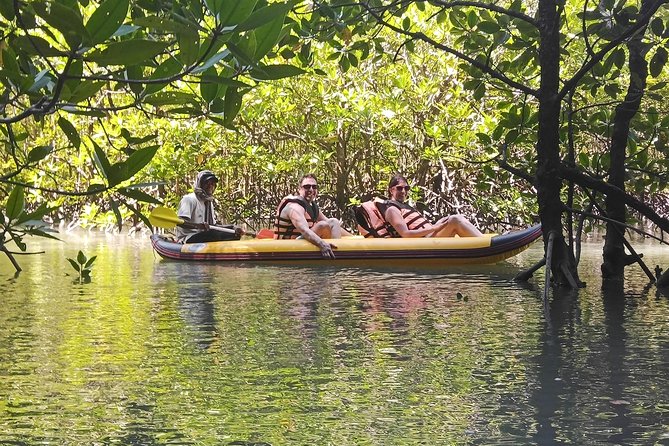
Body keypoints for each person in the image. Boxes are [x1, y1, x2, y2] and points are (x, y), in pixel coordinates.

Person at [357, 174, 482, 238]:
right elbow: (405, 234)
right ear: (391, 190)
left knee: (454, 217)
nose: (403, 191)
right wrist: (434, 229)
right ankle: (486, 244)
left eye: (406, 188)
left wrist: (436, 225)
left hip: (428, 235)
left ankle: (482, 240)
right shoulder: (392, 210)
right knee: (455, 220)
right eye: (399, 188)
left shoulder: (403, 206)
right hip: (424, 241)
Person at [273, 174, 348, 258]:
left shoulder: (311, 206)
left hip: (303, 240)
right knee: (322, 225)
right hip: (289, 245)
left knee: (334, 221)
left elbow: (331, 224)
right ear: (299, 189)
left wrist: (356, 237)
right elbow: (304, 231)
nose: (311, 190)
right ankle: (334, 255)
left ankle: (337, 253)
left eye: (314, 187)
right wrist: (322, 244)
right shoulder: (294, 207)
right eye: (307, 187)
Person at [175, 170, 243, 243]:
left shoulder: (208, 202)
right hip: (188, 237)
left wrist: (232, 227)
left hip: (203, 235)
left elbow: (213, 226)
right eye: (206, 183)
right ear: (200, 184)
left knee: (234, 234)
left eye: (212, 184)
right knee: (213, 234)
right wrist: (197, 226)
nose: (210, 186)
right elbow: (179, 222)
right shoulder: (189, 199)